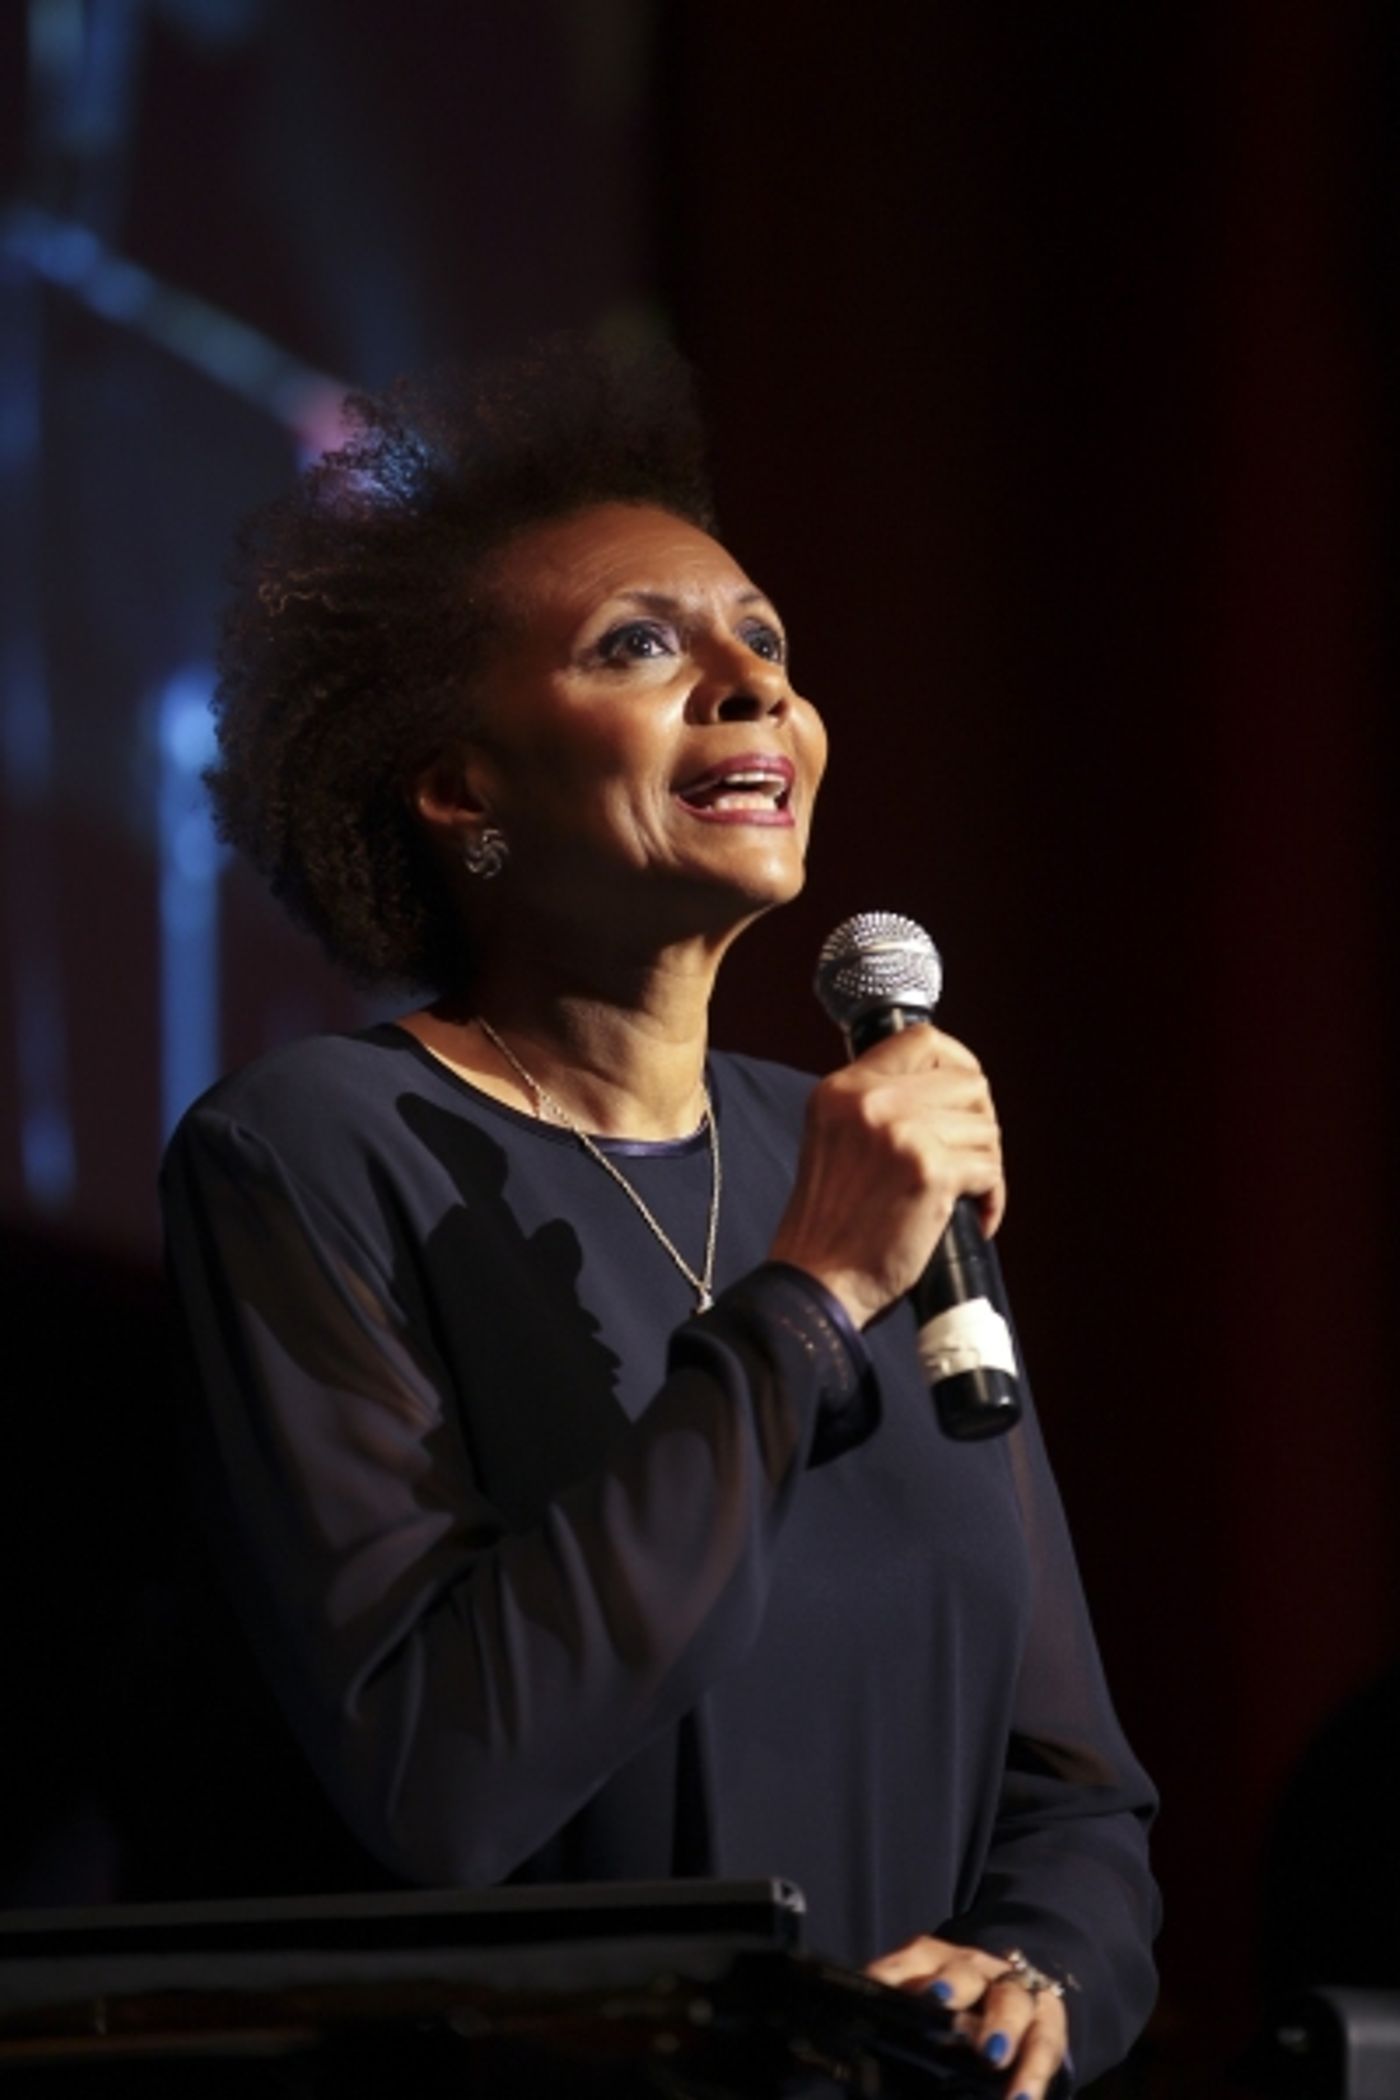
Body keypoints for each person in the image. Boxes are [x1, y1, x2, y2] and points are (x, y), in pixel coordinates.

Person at [161, 338, 1159, 2096]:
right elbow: (444, 1771)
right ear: (458, 785)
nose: (750, 689)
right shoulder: (313, 1151)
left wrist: (1040, 1969)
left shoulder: (849, 1143)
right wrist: (807, 1293)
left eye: (765, 644)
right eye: (642, 645)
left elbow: (1075, 1794)